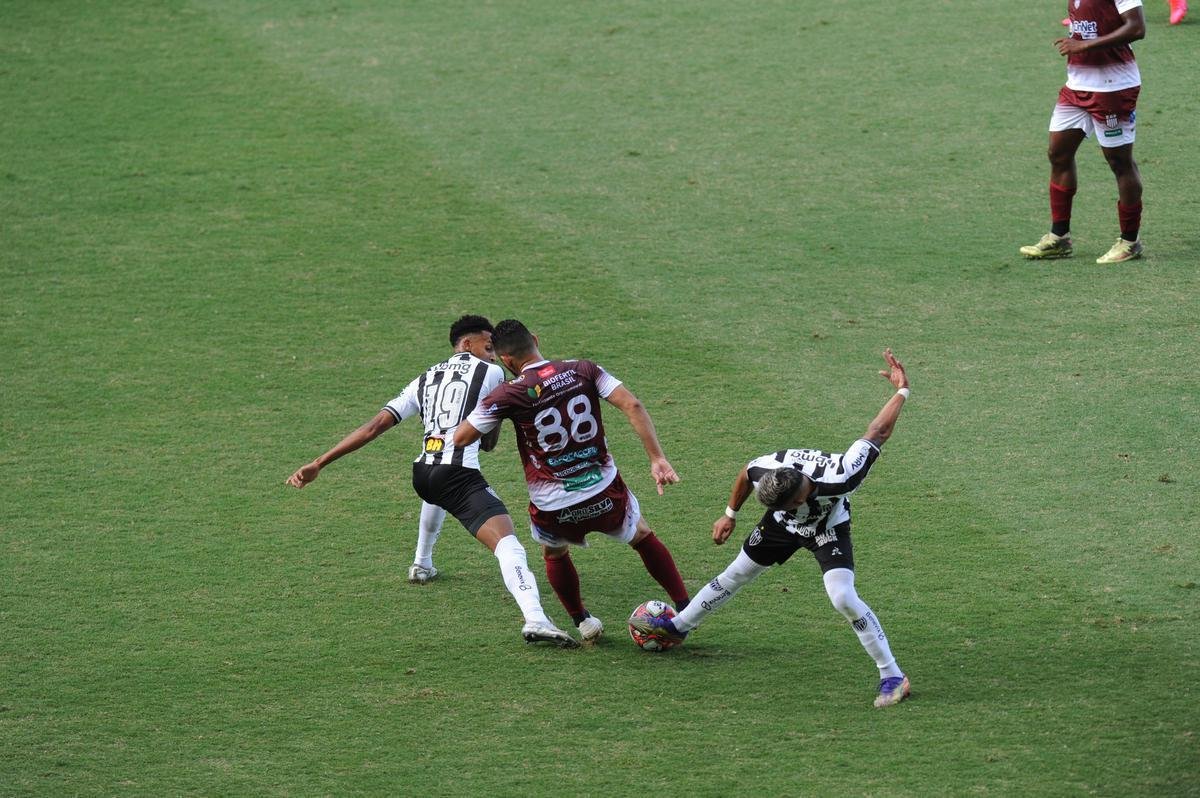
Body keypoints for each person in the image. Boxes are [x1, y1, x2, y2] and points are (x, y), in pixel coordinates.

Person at [632, 350, 914, 708]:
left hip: (828, 526)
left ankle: (891, 674)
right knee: (734, 574)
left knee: (842, 596)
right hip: (782, 528)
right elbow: (745, 472)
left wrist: (901, 391)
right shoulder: (766, 472)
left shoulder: (842, 476)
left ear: (796, 500)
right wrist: (730, 514)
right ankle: (678, 627)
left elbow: (877, 432)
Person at [286, 315, 578, 648]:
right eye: (489, 346)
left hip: (423, 475)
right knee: (509, 544)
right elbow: (488, 441)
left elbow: (373, 427)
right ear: (467, 344)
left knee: (438, 491)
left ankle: (421, 564)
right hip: (458, 475)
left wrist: (319, 463)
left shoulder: (424, 378)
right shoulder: (493, 373)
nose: (495, 355)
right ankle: (536, 619)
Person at [453, 319, 690, 643]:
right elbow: (632, 404)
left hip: (552, 503)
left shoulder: (509, 393)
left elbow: (462, 438)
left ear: (506, 361)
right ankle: (686, 608)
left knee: (555, 554)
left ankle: (583, 621)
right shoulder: (584, 369)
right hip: (602, 489)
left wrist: (493, 407)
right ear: (535, 339)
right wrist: (656, 458)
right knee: (643, 536)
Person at [1023, 0, 1147, 264]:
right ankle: (1060, 237)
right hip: (1077, 85)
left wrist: (1084, 45)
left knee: (1119, 162)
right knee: (1058, 154)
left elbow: (1137, 28)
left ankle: (1130, 242)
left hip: (1113, 89)